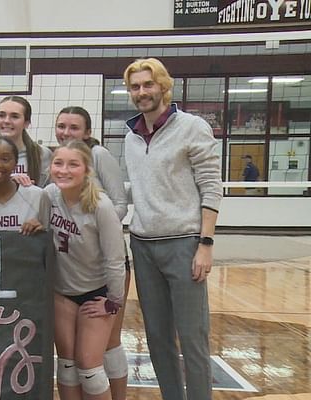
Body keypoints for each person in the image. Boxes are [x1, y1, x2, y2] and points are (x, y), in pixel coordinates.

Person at [123, 58, 222, 400]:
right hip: (143, 245)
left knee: (193, 337)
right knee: (157, 337)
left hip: (183, 244)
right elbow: (140, 188)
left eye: (148, 84)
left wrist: (205, 243)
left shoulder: (192, 127)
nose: (141, 92)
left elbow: (211, 186)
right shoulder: (131, 136)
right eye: (135, 86)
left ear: (163, 86)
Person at [54, 106, 129, 399]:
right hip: (65, 283)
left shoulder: (100, 200)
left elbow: (119, 204)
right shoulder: (49, 195)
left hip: (102, 279)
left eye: (74, 127)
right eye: (61, 126)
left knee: (94, 359)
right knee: (68, 363)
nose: (66, 132)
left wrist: (114, 301)